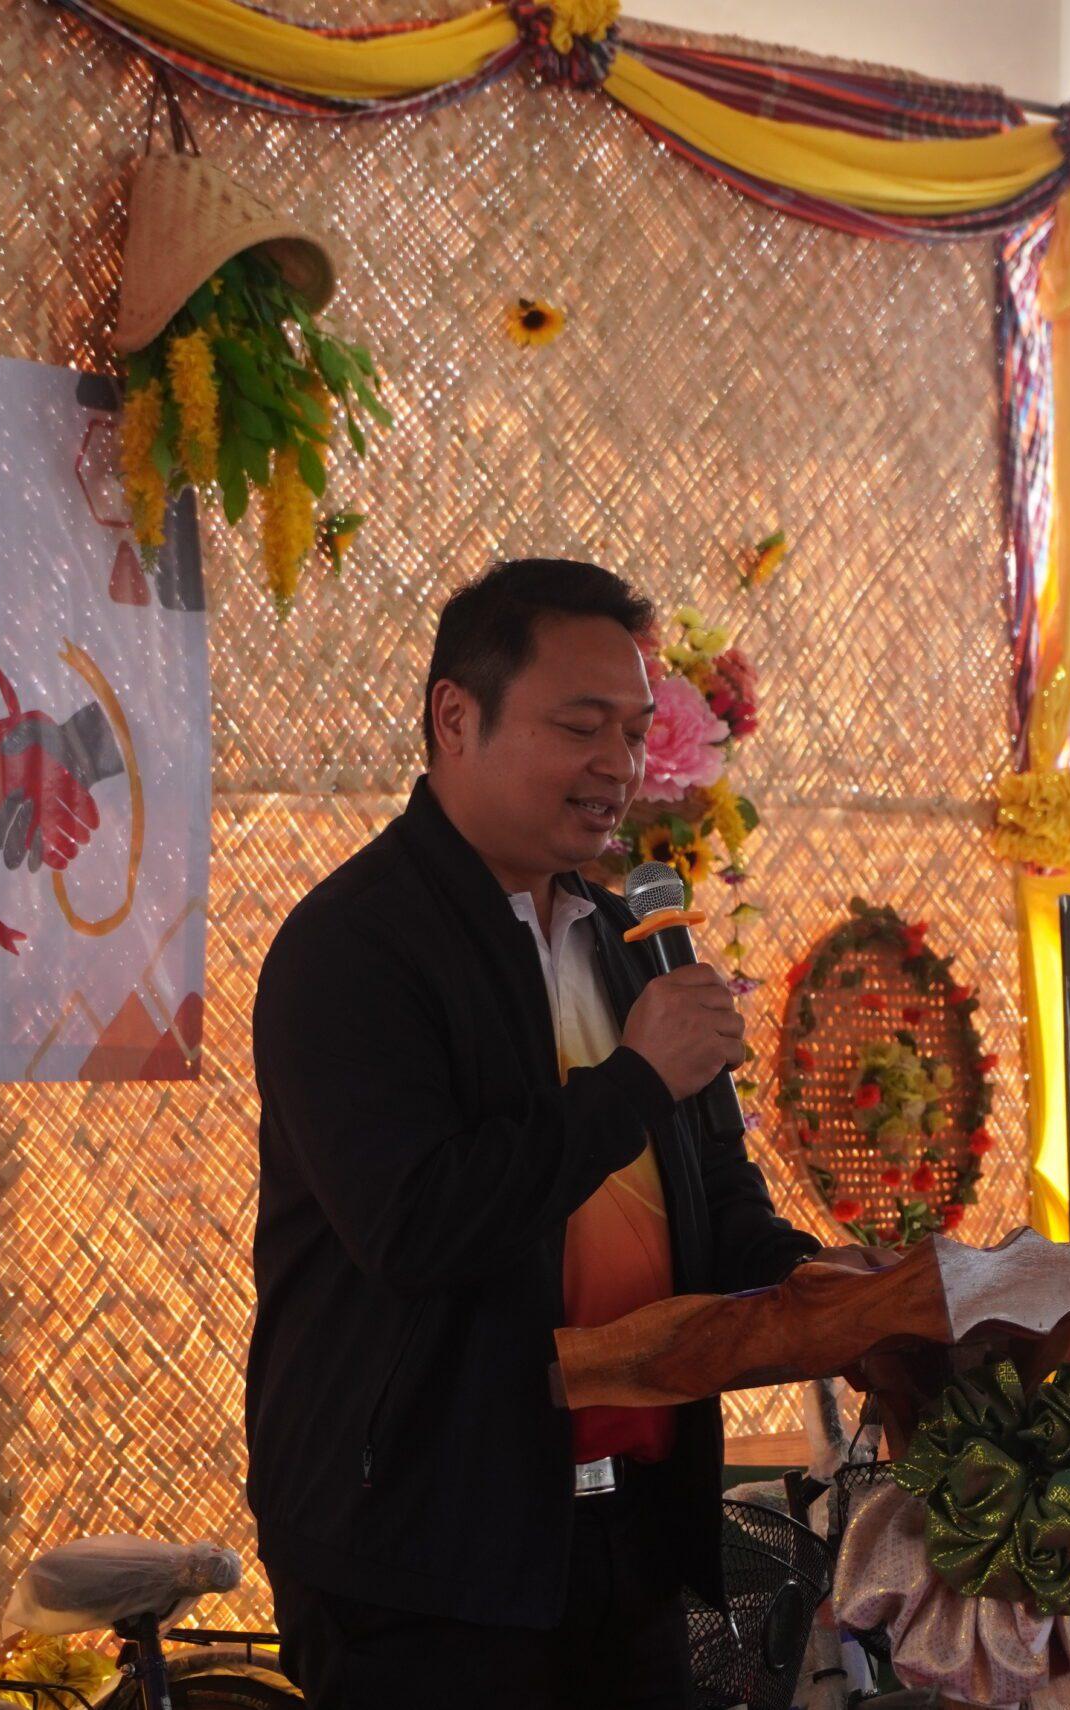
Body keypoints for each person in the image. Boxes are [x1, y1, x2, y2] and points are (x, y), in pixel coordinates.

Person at [247, 558, 820, 1707]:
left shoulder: (627, 941)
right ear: (455, 718)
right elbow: (417, 1226)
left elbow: (714, 1207)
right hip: (424, 1564)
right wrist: (634, 1080)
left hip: (629, 1541)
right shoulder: (354, 947)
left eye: (634, 732)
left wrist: (828, 1289)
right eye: (579, 726)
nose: (617, 765)